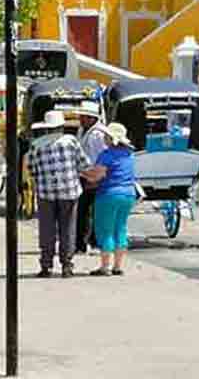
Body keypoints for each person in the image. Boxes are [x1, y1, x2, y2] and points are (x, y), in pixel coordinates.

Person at [28, 110, 92, 278]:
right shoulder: (71, 142)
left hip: (46, 193)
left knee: (47, 229)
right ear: (61, 126)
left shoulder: (36, 144)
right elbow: (84, 164)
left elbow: (32, 169)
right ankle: (67, 265)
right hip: (69, 191)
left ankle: (46, 265)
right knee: (68, 228)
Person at [82, 123, 136, 277]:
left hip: (109, 194)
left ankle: (105, 267)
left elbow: (97, 176)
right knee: (121, 228)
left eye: (106, 136)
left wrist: (83, 173)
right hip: (128, 194)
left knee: (105, 230)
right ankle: (118, 266)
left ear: (111, 139)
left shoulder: (106, 155)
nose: (104, 138)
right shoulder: (129, 153)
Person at [76, 101, 108, 254]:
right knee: (83, 211)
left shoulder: (97, 134)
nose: (80, 119)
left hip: (94, 177)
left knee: (91, 211)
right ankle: (82, 242)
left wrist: (94, 178)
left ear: (91, 118)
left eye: (83, 116)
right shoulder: (83, 131)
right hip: (86, 175)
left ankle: (91, 241)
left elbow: (99, 158)